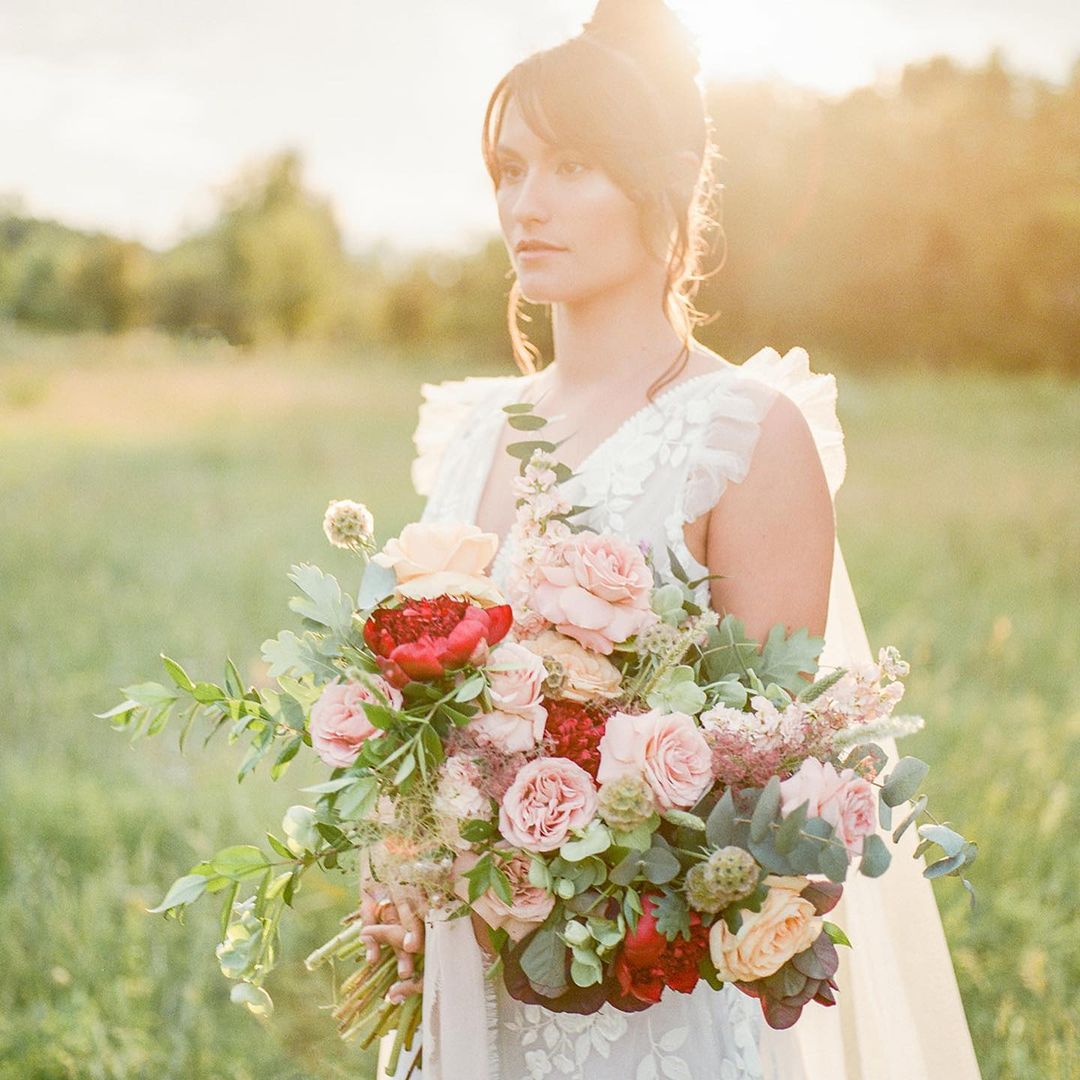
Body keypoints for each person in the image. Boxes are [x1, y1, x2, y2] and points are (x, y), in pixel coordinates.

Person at [362, 1, 982, 1076]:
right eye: (510, 170)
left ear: (668, 182)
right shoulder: (471, 435)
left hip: (641, 1000)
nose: (527, 204)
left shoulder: (744, 432)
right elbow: (418, 722)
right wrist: (405, 853)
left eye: (571, 167)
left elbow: (771, 782)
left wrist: (571, 847)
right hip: (472, 968)